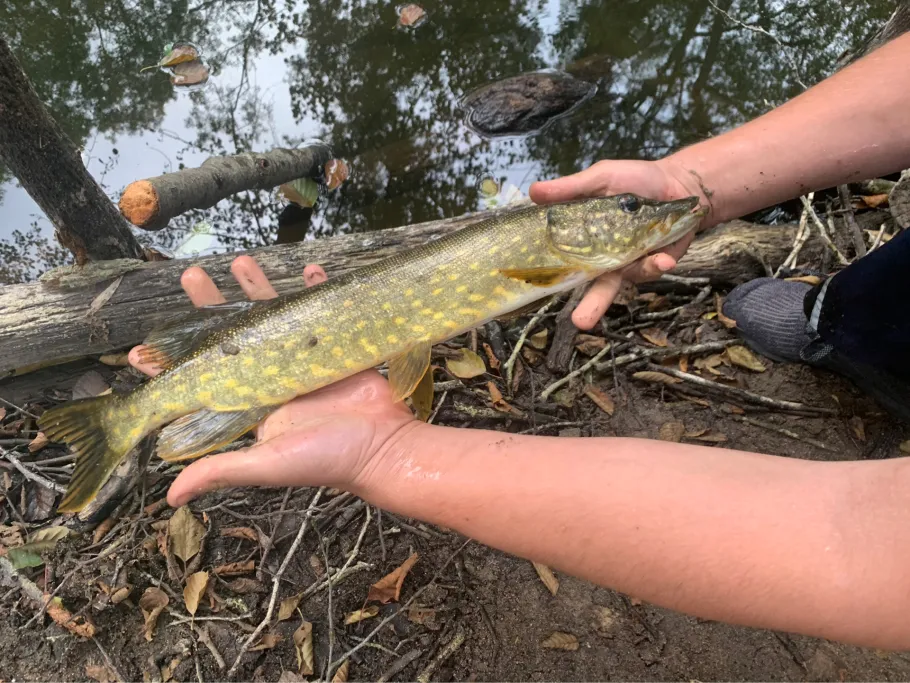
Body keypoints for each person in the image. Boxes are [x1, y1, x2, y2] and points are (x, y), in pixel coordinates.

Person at [129, 33, 910, 650]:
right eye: (630, 221)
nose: (646, 223)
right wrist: (691, 177)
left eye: (636, 220)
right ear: (575, 232)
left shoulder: (558, 248)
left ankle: (851, 332)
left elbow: (858, 541)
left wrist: (386, 455)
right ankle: (841, 325)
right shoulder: (554, 240)